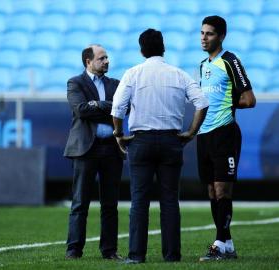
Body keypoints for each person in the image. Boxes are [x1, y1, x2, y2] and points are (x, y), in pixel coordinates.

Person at [111, 29, 209, 264]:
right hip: (171, 141)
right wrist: (191, 133)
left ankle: (136, 255)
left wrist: (118, 134)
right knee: (169, 200)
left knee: (139, 200)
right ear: (163, 48)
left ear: (142, 50)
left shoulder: (133, 73)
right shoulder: (179, 74)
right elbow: (202, 103)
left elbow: (117, 108)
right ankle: (172, 255)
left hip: (140, 141)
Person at [197, 16, 256, 261]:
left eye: (209, 34)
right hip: (204, 135)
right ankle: (227, 243)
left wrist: (227, 104)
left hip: (225, 133)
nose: (203, 37)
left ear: (221, 36)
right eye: (202, 33)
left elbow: (249, 100)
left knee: (223, 189)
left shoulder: (230, 61)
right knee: (212, 190)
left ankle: (219, 243)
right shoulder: (202, 65)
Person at [63, 44, 124, 260]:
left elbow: (122, 109)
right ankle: (74, 250)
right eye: (102, 58)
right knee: (80, 202)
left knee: (110, 204)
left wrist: (97, 105)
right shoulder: (75, 82)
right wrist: (107, 107)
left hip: (111, 149)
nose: (107, 61)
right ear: (88, 62)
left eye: (107, 57)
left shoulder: (116, 83)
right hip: (85, 149)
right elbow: (81, 110)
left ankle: (109, 251)